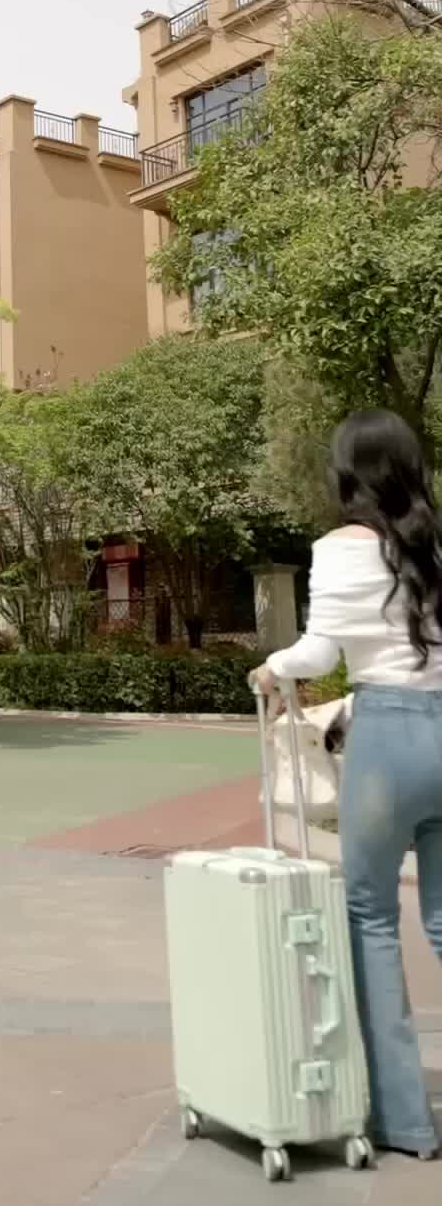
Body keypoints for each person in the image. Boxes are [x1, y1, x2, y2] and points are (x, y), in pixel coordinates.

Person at [251, 408, 442, 1162]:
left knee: (371, 918)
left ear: (347, 475)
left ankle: (405, 1121)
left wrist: (274, 669)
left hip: (388, 739)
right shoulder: (433, 545)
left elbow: (320, 651)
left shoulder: (340, 549)